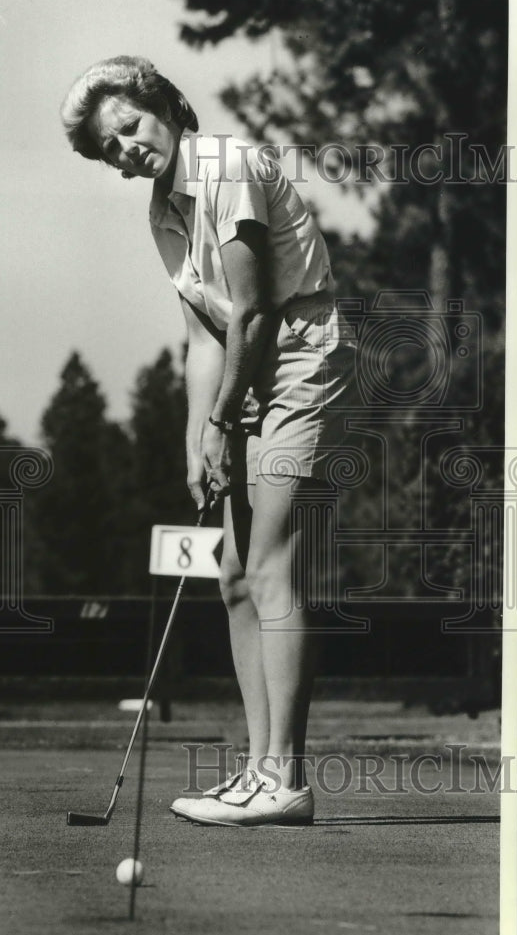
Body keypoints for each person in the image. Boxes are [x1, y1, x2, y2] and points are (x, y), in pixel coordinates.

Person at [61, 55, 358, 826]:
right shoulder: (162, 208)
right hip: (243, 369)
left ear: (162, 103)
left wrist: (224, 417)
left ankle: (284, 779)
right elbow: (202, 333)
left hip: (300, 355)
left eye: (130, 127)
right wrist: (199, 436)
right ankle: (259, 768)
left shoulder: (226, 164)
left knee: (269, 563)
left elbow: (256, 311)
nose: (127, 148)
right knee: (231, 573)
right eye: (110, 148)